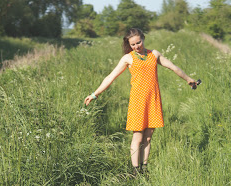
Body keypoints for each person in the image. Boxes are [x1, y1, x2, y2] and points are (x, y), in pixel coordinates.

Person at [84, 28, 197, 177]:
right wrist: (95, 94)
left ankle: (144, 168)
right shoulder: (127, 58)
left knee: (148, 137)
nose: (137, 46)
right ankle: (135, 171)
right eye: (133, 44)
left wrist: (188, 79)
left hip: (153, 100)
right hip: (138, 101)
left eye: (138, 42)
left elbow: (173, 67)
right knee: (137, 137)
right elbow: (110, 77)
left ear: (143, 39)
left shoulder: (154, 54)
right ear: (129, 45)